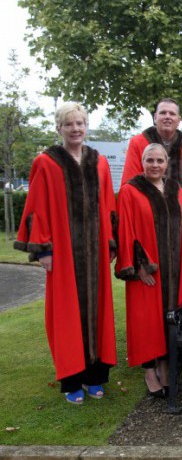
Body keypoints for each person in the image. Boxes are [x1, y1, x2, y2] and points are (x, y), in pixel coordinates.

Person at [14, 102, 117, 404]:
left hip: (95, 253)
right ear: (59, 127)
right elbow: (37, 207)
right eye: (69, 124)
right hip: (63, 253)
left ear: (87, 127)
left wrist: (110, 242)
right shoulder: (46, 162)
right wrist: (43, 249)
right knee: (66, 314)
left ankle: (95, 374)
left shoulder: (98, 162)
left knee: (98, 312)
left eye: (80, 123)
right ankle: (72, 378)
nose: (75, 129)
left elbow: (108, 205)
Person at [115, 143, 182, 398]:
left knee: (169, 317)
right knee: (146, 322)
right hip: (148, 271)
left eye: (159, 161)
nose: (155, 165)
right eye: (150, 160)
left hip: (174, 270)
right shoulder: (130, 191)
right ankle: (149, 370)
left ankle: (165, 365)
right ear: (142, 162)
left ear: (167, 163)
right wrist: (138, 266)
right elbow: (126, 231)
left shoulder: (175, 189)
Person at [121, 98, 182, 215]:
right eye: (163, 112)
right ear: (155, 117)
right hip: (145, 214)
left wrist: (177, 209)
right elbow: (130, 181)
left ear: (178, 120)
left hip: (181, 215)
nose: (167, 117)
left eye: (172, 114)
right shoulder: (137, 143)